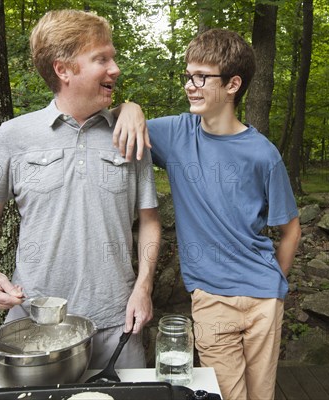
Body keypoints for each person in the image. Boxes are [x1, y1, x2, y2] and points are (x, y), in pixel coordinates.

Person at [0, 9, 160, 369]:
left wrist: (143, 287)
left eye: (112, 57)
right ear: (63, 69)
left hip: (118, 323)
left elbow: (149, 220)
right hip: (35, 324)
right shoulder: (13, 135)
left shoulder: (130, 134)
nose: (115, 68)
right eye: (101, 58)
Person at [117, 29, 301, 400]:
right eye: (188, 75)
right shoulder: (175, 134)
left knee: (261, 395)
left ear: (233, 84)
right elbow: (119, 123)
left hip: (264, 299)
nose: (190, 85)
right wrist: (130, 106)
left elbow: (290, 228)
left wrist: (274, 286)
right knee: (229, 396)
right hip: (212, 298)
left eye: (202, 77)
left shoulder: (263, 154)